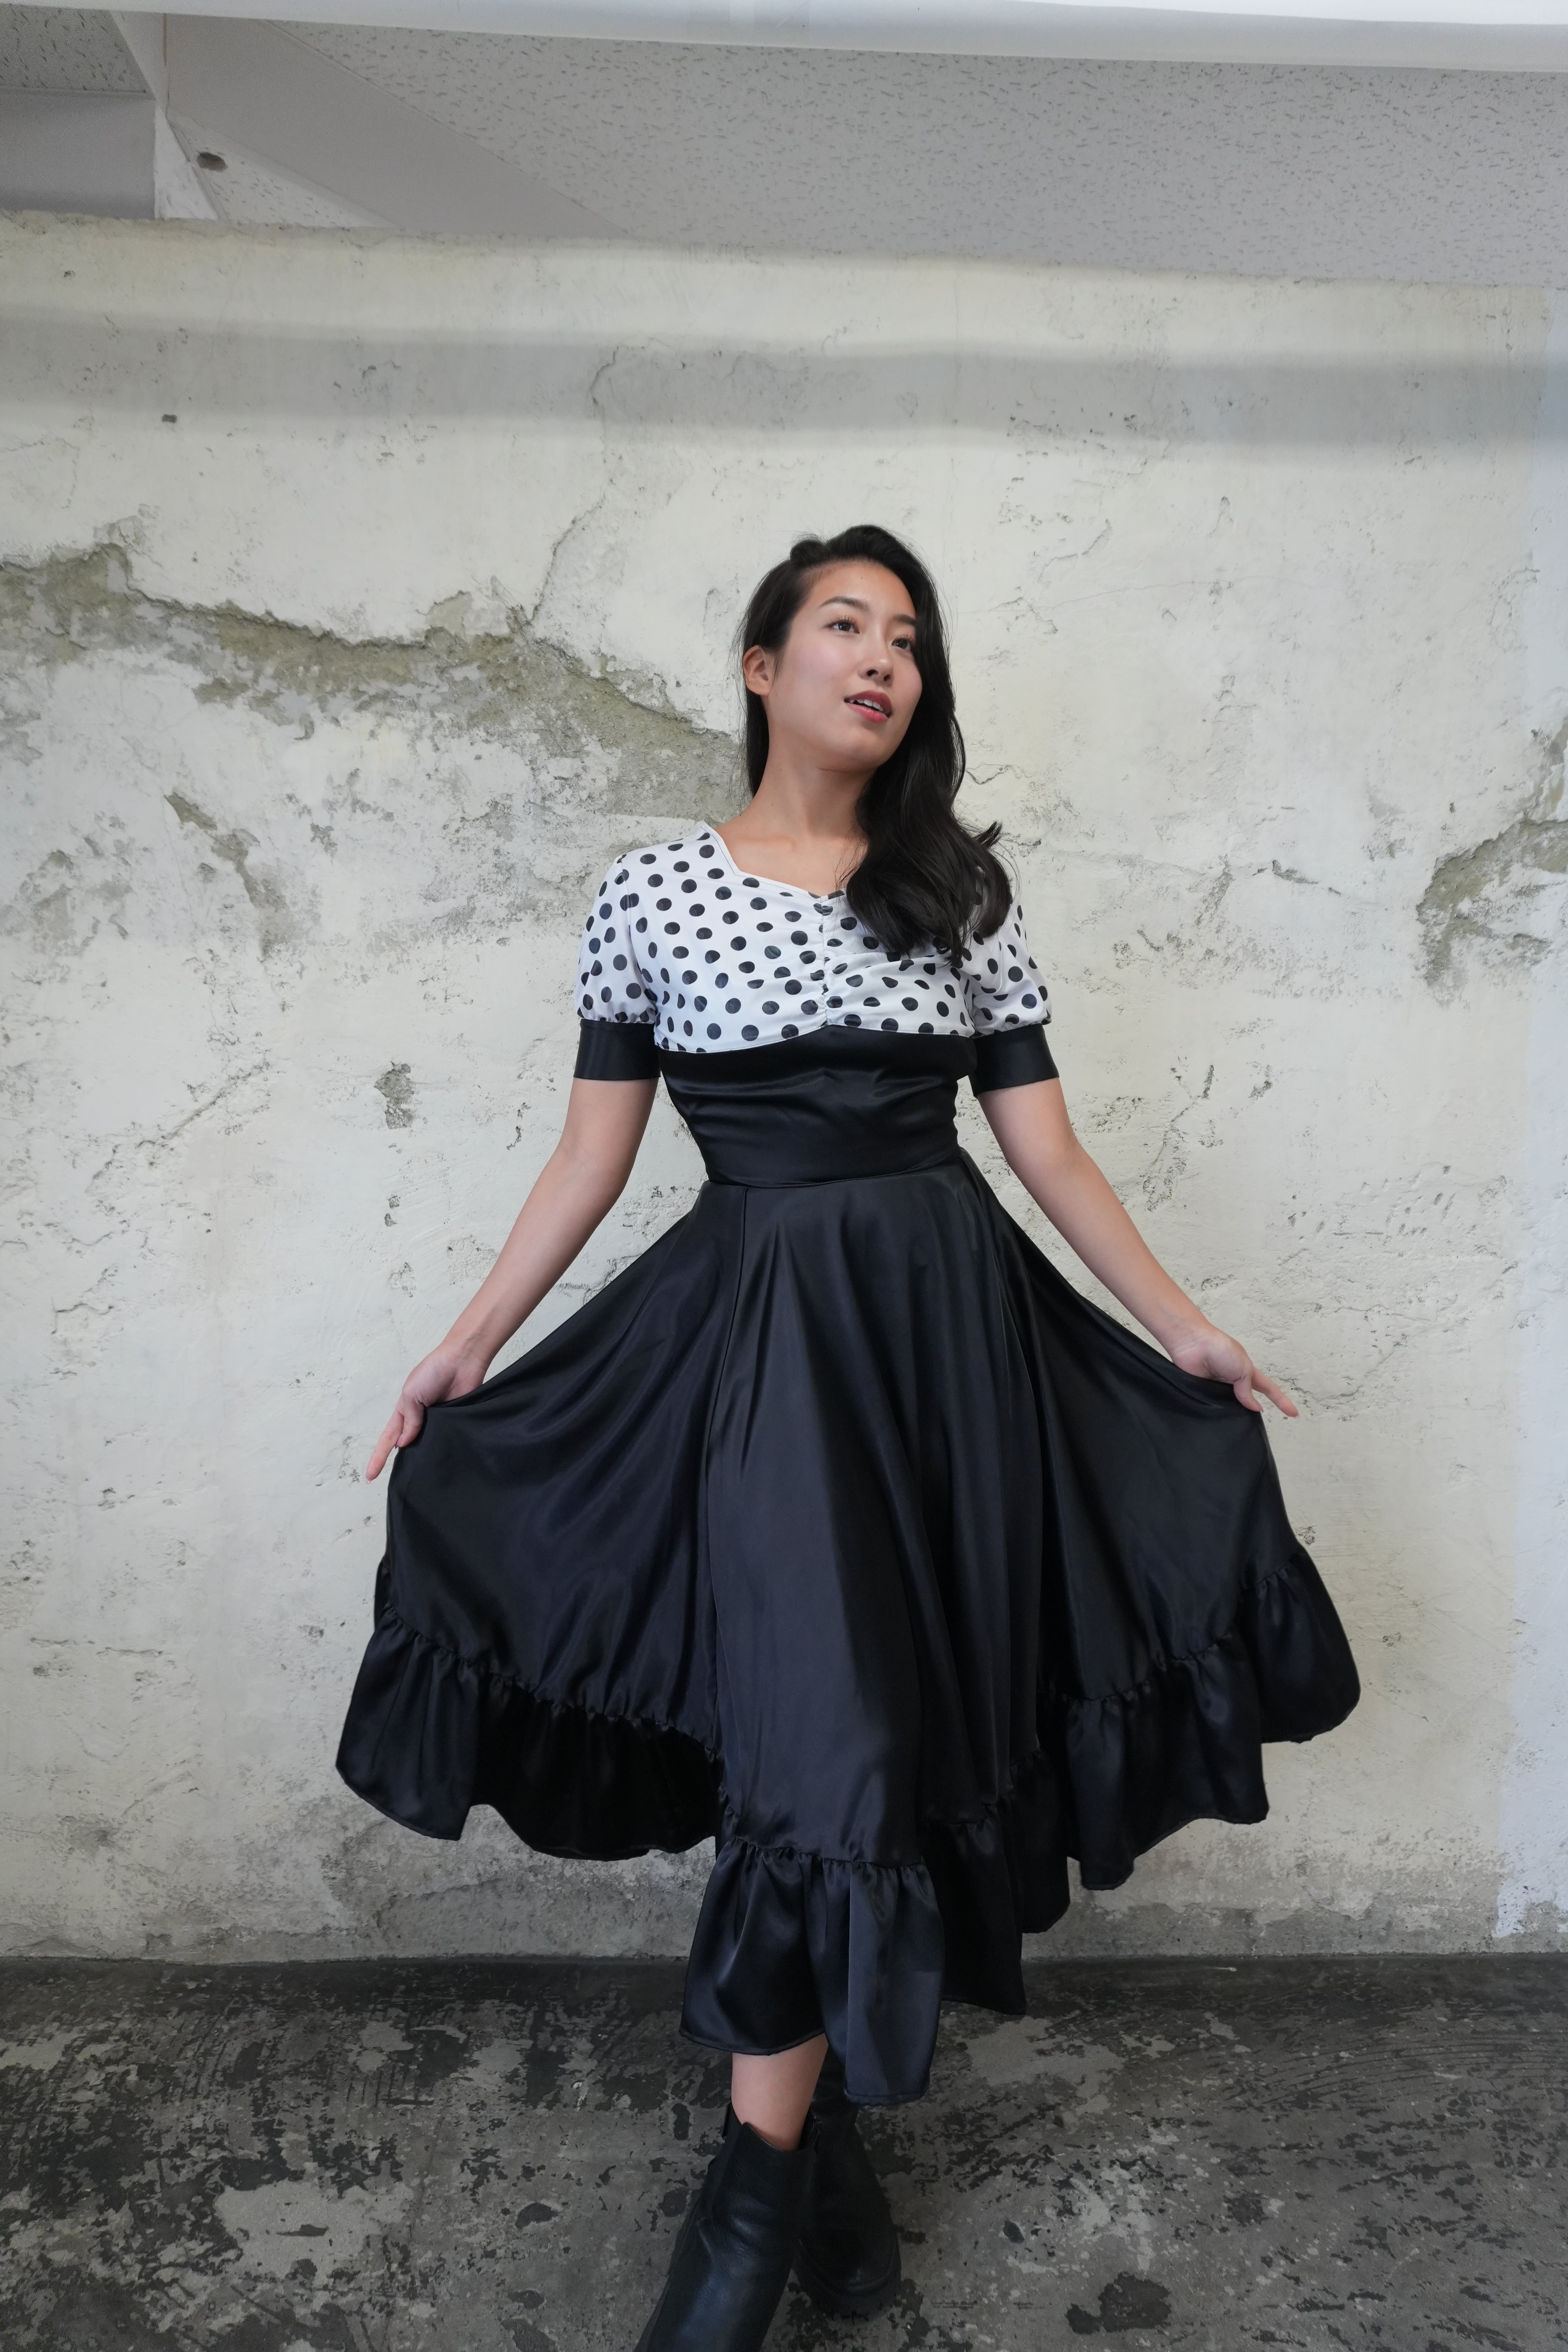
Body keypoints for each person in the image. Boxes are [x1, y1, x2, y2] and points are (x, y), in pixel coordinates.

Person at [338, 524, 1358, 2351]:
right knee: (822, 1745)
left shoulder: (958, 890)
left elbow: (1045, 1147)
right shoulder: (651, 893)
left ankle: (795, 2167)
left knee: (881, 1741)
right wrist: (463, 1352)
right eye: (845, 626)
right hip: (763, 1356)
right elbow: (590, 1156)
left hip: (949, 1352)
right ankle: (765, 2200)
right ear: (765, 666)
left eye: (908, 638)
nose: (883, 659)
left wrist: (1181, 1327)